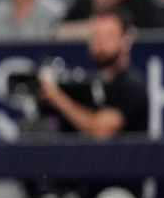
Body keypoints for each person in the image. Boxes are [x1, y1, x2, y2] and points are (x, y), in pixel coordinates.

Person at [38, 9, 149, 138]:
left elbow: (101, 129)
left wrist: (56, 97)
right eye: (96, 36)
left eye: (109, 36)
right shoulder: (91, 83)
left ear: (125, 39)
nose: (101, 43)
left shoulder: (132, 86)